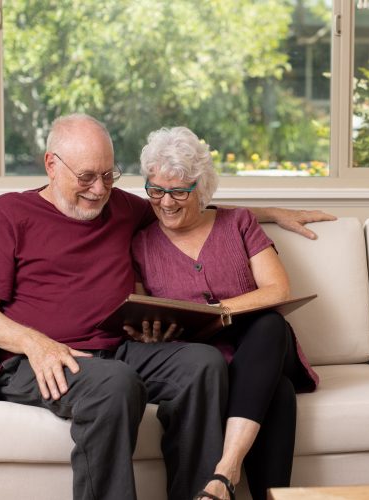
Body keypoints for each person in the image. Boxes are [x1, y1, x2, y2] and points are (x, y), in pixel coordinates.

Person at [0, 113, 334, 500]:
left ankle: (203, 495)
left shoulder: (122, 207)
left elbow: (190, 208)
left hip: (117, 349)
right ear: (51, 165)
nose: (98, 189)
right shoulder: (9, 213)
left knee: (202, 363)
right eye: (87, 177)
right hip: (43, 359)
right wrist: (36, 344)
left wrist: (273, 213)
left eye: (109, 175)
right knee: (115, 384)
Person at [130, 127, 319, 500]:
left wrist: (218, 311)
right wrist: (149, 331)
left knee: (269, 323)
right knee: (277, 393)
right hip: (202, 365)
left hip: (262, 349)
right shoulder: (140, 243)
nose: (166, 202)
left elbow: (278, 290)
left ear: (202, 189)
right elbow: (140, 311)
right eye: (156, 190)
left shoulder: (238, 223)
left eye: (179, 192)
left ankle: (225, 469)